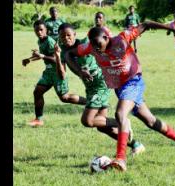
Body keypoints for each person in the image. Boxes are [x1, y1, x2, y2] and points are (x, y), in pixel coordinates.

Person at [65, 20, 175, 172]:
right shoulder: (90, 47)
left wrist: (171, 28)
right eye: (93, 46)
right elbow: (69, 54)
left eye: (98, 44)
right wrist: (80, 71)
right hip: (120, 88)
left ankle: (121, 158)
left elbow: (146, 24)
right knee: (151, 121)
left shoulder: (122, 39)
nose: (97, 49)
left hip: (133, 82)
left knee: (121, 113)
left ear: (107, 38)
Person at [55, 23, 145, 155]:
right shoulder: (64, 52)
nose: (66, 38)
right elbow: (61, 75)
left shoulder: (87, 43)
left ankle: (122, 122)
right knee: (102, 127)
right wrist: (57, 57)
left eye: (69, 35)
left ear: (74, 34)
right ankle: (136, 145)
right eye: (62, 37)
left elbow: (104, 41)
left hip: (100, 85)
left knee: (87, 120)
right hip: (91, 89)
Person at [22, 20, 86, 127]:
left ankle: (90, 103)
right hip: (48, 73)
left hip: (57, 71)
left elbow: (56, 59)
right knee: (37, 92)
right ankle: (39, 119)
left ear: (46, 30)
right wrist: (29, 59)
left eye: (41, 30)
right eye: (36, 30)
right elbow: (43, 54)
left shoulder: (50, 41)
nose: (39, 32)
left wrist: (42, 56)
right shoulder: (40, 41)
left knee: (64, 98)